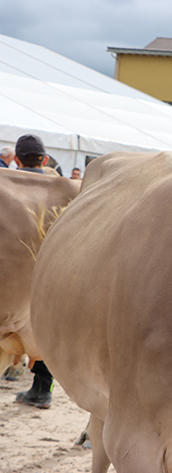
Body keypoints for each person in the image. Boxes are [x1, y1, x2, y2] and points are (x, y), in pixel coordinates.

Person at [12, 134, 55, 409]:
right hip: (49, 276)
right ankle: (42, 389)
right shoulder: (62, 191)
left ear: (16, 160)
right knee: (47, 330)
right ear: (45, 159)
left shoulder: (8, 188)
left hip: (11, 279)